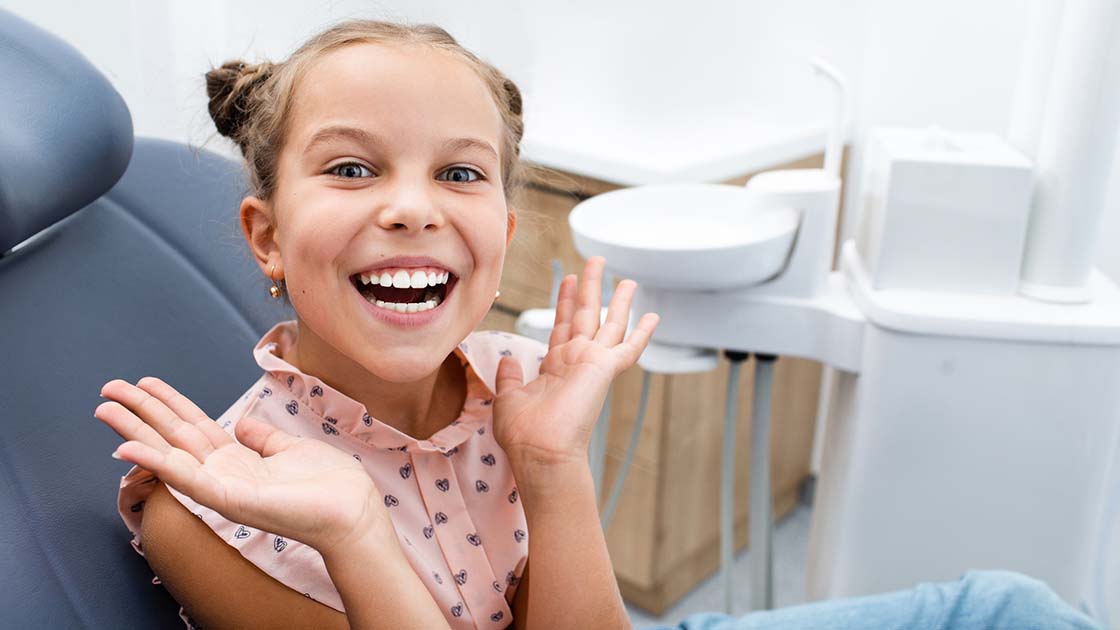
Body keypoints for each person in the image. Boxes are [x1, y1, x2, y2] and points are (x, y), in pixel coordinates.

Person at [93, 17, 1102, 630]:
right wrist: (356, 533)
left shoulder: (512, 388)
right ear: (266, 236)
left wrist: (549, 466)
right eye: (353, 168)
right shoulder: (206, 513)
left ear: (502, 223)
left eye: (459, 173)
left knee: (1013, 610)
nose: (412, 207)